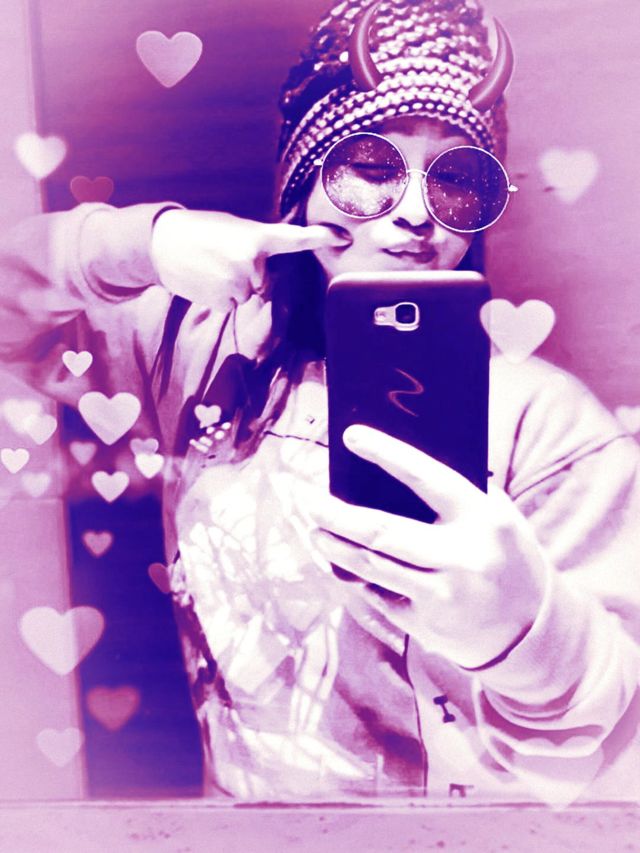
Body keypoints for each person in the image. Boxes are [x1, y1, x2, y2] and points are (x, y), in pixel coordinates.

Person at [1, 0, 639, 805]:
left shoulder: (547, 425)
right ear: (303, 182)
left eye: (454, 177)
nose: (417, 214)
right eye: (372, 167)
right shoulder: (195, 348)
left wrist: (528, 632)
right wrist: (148, 244)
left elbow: (614, 741)